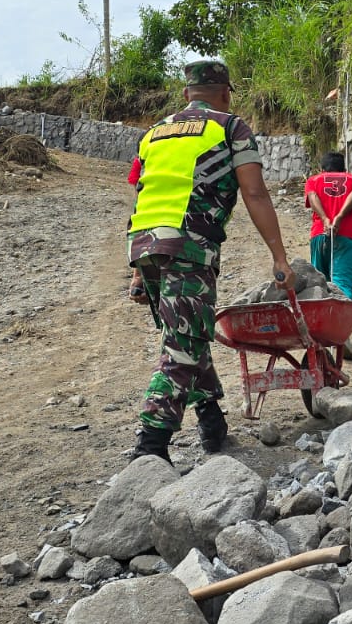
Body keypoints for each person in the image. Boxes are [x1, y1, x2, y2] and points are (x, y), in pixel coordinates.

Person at [126, 59, 294, 462]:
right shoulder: (229, 127)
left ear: (186, 94)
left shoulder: (153, 134)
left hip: (143, 243)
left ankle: (211, 420)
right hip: (188, 246)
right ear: (225, 93)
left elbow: (142, 193)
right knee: (181, 349)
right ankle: (150, 446)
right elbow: (255, 193)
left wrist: (135, 271)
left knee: (189, 335)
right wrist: (279, 256)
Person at [304, 151, 352, 299]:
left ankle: (322, 320)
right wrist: (339, 217)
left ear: (322, 170)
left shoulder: (313, 181)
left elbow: (312, 197)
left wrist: (325, 219)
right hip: (345, 236)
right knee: (343, 284)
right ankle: (341, 319)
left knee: (319, 284)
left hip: (319, 236)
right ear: (344, 170)